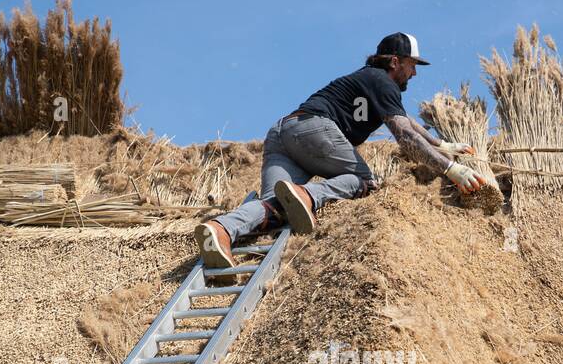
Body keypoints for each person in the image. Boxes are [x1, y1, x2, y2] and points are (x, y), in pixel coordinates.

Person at [194, 32, 490, 269]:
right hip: (315, 131)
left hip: (282, 134)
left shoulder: (369, 80)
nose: (414, 73)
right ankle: (307, 195)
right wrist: (452, 169)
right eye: (412, 64)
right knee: (365, 181)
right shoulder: (383, 83)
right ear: (395, 62)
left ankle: (221, 230)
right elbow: (404, 138)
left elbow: (409, 124)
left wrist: (441, 144)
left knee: (274, 207)